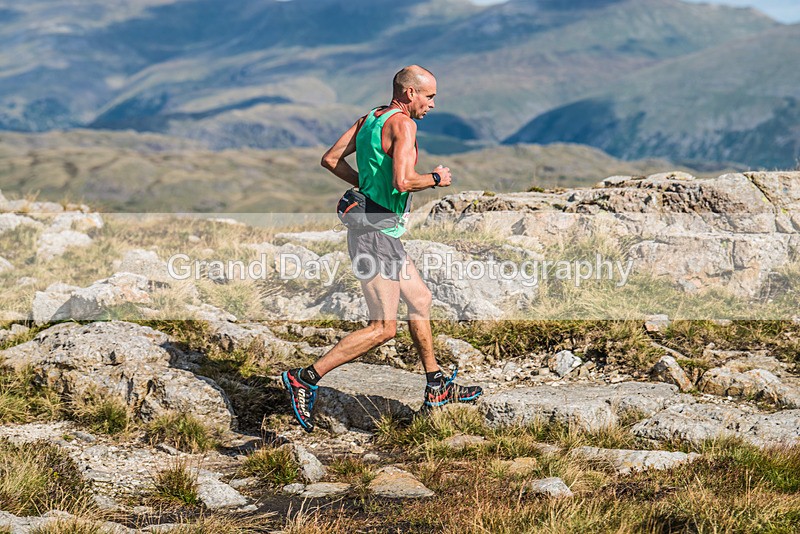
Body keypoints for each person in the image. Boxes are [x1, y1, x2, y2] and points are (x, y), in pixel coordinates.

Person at [281, 65, 482, 433]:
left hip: (379, 231)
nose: (432, 104)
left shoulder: (370, 119)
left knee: (420, 299)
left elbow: (330, 159)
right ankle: (304, 378)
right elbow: (403, 181)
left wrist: (368, 188)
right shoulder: (404, 125)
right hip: (373, 236)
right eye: (429, 96)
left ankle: (436, 385)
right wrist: (436, 178)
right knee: (383, 328)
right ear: (410, 93)